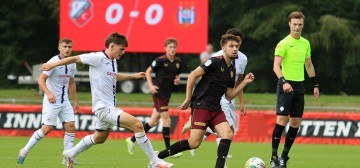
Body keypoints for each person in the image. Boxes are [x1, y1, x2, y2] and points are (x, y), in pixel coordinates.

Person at [41, 32, 173, 168]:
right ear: (112, 46)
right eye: (121, 49)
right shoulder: (97, 57)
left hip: (107, 107)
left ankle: (71, 153)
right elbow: (74, 59)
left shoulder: (113, 61)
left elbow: (114, 76)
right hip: (103, 108)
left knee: (99, 138)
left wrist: (133, 76)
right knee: (138, 125)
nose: (123, 52)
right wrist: (52, 65)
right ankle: (154, 161)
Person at [156, 34, 255, 168]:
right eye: (231, 46)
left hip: (216, 107)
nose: (235, 49)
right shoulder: (214, 61)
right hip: (202, 105)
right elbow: (192, 75)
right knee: (194, 143)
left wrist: (244, 83)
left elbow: (229, 95)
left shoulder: (231, 70)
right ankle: (157, 157)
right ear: (223, 48)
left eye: (237, 46)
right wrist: (187, 98)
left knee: (227, 134)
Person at [17, 38, 80, 165]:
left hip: (65, 101)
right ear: (59, 48)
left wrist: (76, 101)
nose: (67, 49)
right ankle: (24, 150)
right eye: (65, 46)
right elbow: (41, 79)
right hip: (52, 101)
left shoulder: (72, 63)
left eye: (69, 47)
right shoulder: (53, 62)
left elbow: (71, 82)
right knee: (47, 128)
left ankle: (67, 158)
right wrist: (49, 94)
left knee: (71, 127)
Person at [270, 11, 320, 168]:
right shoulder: (283, 43)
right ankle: (273, 157)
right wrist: (284, 82)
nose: (297, 27)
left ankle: (284, 156)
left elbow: (309, 65)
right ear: (289, 24)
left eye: (300, 24)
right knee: (282, 120)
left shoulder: (305, 43)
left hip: (299, 86)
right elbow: (276, 66)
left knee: (296, 122)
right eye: (294, 24)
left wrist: (315, 85)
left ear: (302, 25)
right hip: (285, 85)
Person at [126, 38, 183, 158]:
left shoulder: (178, 62)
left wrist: (177, 80)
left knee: (153, 122)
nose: (172, 49)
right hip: (159, 93)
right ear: (165, 48)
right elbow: (148, 71)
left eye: (174, 47)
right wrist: (151, 86)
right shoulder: (159, 60)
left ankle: (131, 140)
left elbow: (177, 75)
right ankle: (169, 150)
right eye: (170, 47)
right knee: (167, 120)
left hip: (167, 94)